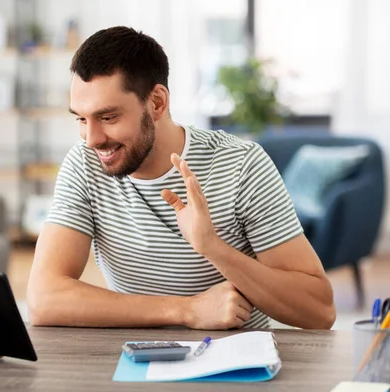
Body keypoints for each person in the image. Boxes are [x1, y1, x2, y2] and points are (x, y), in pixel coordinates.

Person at [27, 26, 336, 330]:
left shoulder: (240, 165)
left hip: (237, 366)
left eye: (108, 117)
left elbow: (319, 312)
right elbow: (43, 298)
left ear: (157, 102)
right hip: (137, 364)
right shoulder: (85, 164)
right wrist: (187, 310)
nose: (91, 138)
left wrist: (213, 248)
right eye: (81, 118)